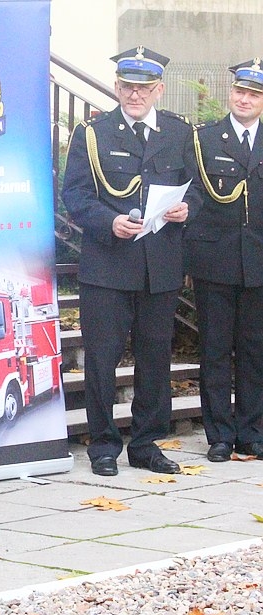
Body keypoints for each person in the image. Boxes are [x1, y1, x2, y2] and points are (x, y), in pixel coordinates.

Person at [61, 46, 197, 477]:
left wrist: (186, 208)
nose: (134, 95)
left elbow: (196, 187)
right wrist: (109, 221)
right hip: (108, 265)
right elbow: (75, 195)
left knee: (155, 357)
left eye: (143, 88)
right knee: (102, 357)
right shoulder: (94, 133)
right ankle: (103, 444)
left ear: (159, 90)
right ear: (117, 87)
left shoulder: (179, 133)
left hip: (160, 265)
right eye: (127, 87)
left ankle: (146, 443)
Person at [183, 59, 263, 463]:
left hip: (259, 263)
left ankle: (251, 432)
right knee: (214, 349)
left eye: (253, 94)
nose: (245, 99)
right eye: (240, 92)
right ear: (230, 94)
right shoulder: (204, 139)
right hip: (214, 259)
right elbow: (193, 194)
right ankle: (219, 435)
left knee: (255, 350)